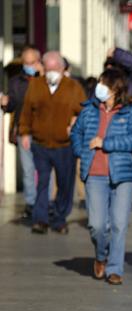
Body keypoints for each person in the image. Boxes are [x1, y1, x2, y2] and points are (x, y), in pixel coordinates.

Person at [70, 68, 132, 285]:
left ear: (114, 88)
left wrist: (106, 143)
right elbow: (76, 133)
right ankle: (101, 255)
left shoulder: (130, 111)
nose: (98, 88)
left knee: (120, 224)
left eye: (103, 83)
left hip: (123, 175)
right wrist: (81, 151)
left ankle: (115, 268)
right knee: (97, 225)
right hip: (94, 173)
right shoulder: (89, 109)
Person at [19, 51, 86, 234]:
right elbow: (26, 111)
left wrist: (75, 123)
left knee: (65, 184)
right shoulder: (36, 86)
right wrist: (24, 133)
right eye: (48, 68)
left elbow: (85, 112)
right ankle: (40, 219)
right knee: (42, 182)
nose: (51, 72)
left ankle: (59, 218)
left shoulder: (73, 87)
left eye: (55, 68)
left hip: (65, 146)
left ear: (63, 68)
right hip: (40, 144)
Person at [0, 46, 42, 219]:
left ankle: (45, 203)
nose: (29, 65)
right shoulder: (16, 81)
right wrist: (5, 103)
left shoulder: (47, 80)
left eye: (32, 62)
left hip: (44, 132)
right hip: (23, 130)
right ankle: (31, 204)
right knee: (28, 169)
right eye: (26, 62)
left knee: (45, 169)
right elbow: (12, 105)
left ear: (38, 62)